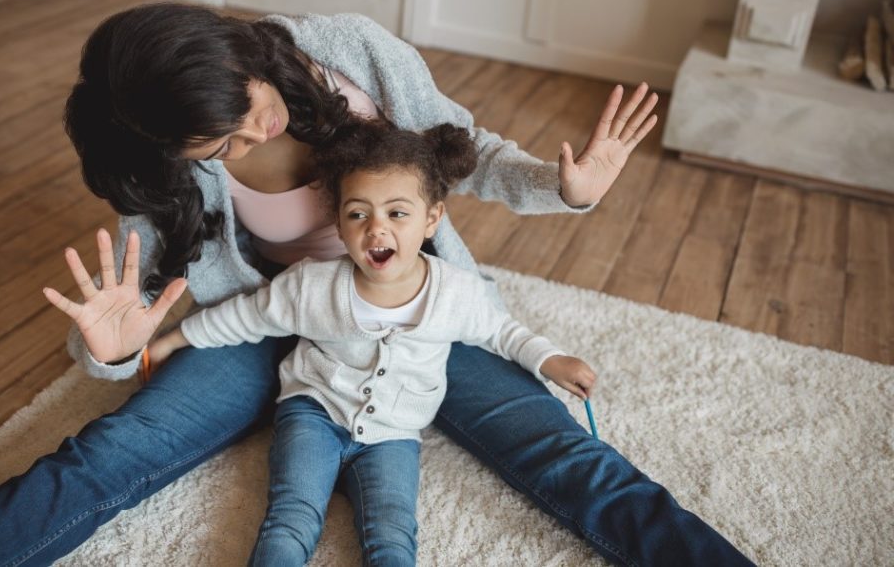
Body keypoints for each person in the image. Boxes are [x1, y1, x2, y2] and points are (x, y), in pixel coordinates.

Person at [0, 4, 752, 566]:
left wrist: (562, 189)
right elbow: (127, 316)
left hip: (410, 305)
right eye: (224, 142)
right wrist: (110, 354)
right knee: (113, 451)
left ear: (242, 51)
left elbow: (465, 148)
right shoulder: (166, 171)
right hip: (266, 324)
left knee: (567, 455)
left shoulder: (347, 51)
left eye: (253, 97)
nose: (262, 127)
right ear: (179, 152)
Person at [134, 121, 597, 565]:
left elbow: (503, 332)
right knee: (290, 520)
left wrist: (550, 359)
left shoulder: (458, 293)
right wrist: (173, 339)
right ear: (338, 224)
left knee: (392, 535)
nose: (376, 229)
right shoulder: (310, 286)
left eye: (398, 213)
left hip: (395, 434)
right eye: (358, 214)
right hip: (313, 410)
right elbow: (245, 317)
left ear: (432, 218)